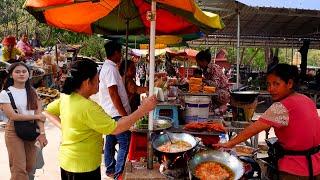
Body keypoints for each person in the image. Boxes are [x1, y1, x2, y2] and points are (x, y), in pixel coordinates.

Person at [43, 59, 157, 180]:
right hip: (84, 167)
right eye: (97, 79)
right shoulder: (88, 108)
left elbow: (47, 111)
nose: (100, 82)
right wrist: (143, 110)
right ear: (87, 82)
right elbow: (116, 128)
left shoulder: (67, 98)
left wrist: (64, 127)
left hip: (67, 162)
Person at [214, 64, 320, 179]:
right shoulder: (307, 100)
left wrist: (229, 144)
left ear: (289, 83)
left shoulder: (282, 106)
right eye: (268, 84)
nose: (271, 89)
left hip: (294, 170)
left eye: (276, 84)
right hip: (315, 165)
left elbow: (253, 129)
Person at [0, 62, 47, 180]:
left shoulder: (33, 92)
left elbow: (38, 114)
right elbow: (13, 116)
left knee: (30, 166)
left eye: (24, 71)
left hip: (31, 129)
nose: (21, 74)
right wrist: (36, 117)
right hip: (14, 130)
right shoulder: (5, 93)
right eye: (17, 72)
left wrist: (42, 133)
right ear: (11, 75)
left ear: (29, 74)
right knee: (19, 168)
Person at [98, 41, 131, 179]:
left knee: (110, 142)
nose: (122, 55)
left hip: (110, 113)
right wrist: (124, 115)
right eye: (121, 52)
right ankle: (118, 173)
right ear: (116, 53)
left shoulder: (109, 67)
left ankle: (110, 169)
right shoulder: (110, 69)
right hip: (116, 114)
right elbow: (113, 94)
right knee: (124, 142)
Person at [196, 49, 230, 114]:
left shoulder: (214, 68)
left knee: (207, 96)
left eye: (198, 62)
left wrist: (203, 80)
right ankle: (214, 112)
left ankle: (220, 109)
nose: (198, 64)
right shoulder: (205, 70)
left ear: (204, 61)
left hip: (222, 93)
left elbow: (215, 85)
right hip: (216, 92)